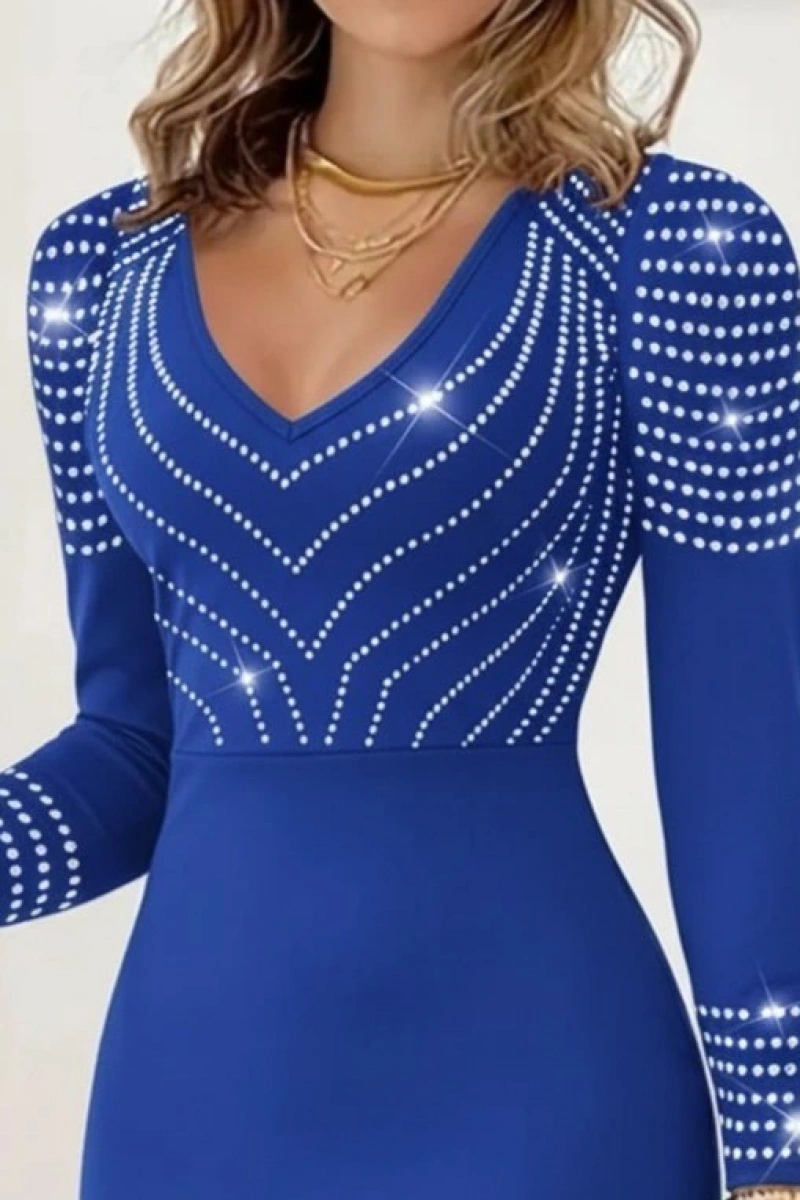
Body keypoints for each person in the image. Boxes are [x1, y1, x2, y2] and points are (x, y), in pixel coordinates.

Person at [4, 0, 800, 1196]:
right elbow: (133, 750)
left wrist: (777, 1154)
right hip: (193, 1097)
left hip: (545, 1087)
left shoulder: (673, 254)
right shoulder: (100, 271)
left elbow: (742, 755)